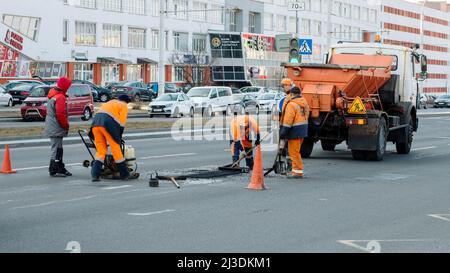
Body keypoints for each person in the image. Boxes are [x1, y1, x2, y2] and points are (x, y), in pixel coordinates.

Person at [90, 95, 131, 182]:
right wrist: (118, 138)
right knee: (116, 147)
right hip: (107, 124)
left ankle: (95, 174)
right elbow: (122, 124)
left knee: (101, 150)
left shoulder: (110, 102)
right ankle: (124, 174)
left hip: (95, 124)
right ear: (126, 102)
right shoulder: (123, 106)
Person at [279, 87, 310, 178]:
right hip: (302, 129)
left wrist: (283, 132)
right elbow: (306, 115)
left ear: (292, 94)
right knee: (296, 151)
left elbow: (288, 120)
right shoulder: (304, 103)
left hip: (294, 131)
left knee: (294, 153)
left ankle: (297, 172)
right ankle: (296, 170)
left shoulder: (291, 105)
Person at [45, 77, 72, 177]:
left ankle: (60, 167)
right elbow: (60, 114)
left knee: (58, 148)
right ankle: (54, 168)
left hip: (52, 125)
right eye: (68, 86)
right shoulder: (60, 97)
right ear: (65, 86)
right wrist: (66, 125)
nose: (68, 88)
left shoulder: (53, 95)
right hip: (56, 126)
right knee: (56, 149)